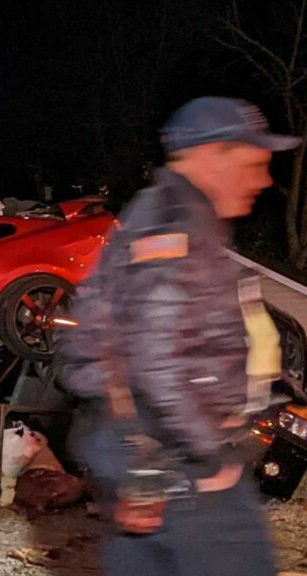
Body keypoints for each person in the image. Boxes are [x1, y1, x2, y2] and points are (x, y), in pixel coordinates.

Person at [56, 96, 300, 576]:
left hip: (143, 448)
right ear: (212, 154)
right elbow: (156, 356)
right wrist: (207, 457)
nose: (263, 180)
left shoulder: (171, 216)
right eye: (254, 164)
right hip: (173, 455)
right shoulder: (177, 224)